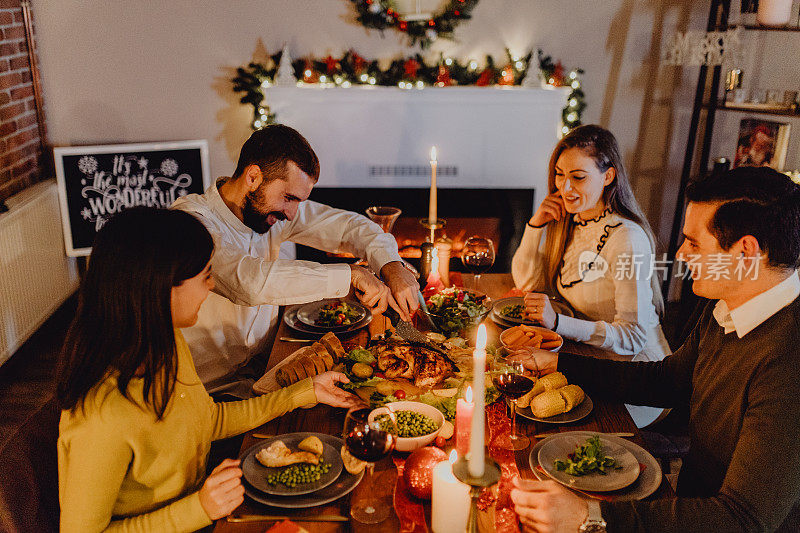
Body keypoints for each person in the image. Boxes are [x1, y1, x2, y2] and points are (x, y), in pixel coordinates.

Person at [509, 167, 800, 532]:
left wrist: (590, 518)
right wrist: (559, 365)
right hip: (686, 508)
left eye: (693, 242)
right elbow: (669, 379)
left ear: (745, 252)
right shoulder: (728, 304)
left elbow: (741, 519)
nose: (680, 254)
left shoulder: (788, 362)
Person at [56, 208, 362, 532]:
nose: (213, 284)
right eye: (205, 275)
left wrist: (305, 391)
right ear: (163, 287)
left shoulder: (166, 342)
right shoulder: (100, 415)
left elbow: (207, 421)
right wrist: (199, 508)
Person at [173, 124, 419, 396]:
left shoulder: (272, 211)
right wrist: (350, 274)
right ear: (253, 177)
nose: (292, 214)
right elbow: (248, 282)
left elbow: (350, 227)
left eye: (298, 201)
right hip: (204, 391)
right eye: (288, 197)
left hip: (266, 370)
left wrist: (391, 264)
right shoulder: (192, 220)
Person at [511, 124, 670, 427]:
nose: (564, 188)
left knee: (540, 423)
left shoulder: (627, 239)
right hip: (590, 360)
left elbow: (633, 338)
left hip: (637, 380)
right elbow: (525, 283)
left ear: (608, 176)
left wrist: (558, 323)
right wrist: (535, 225)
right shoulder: (572, 221)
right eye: (560, 174)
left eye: (578, 177)